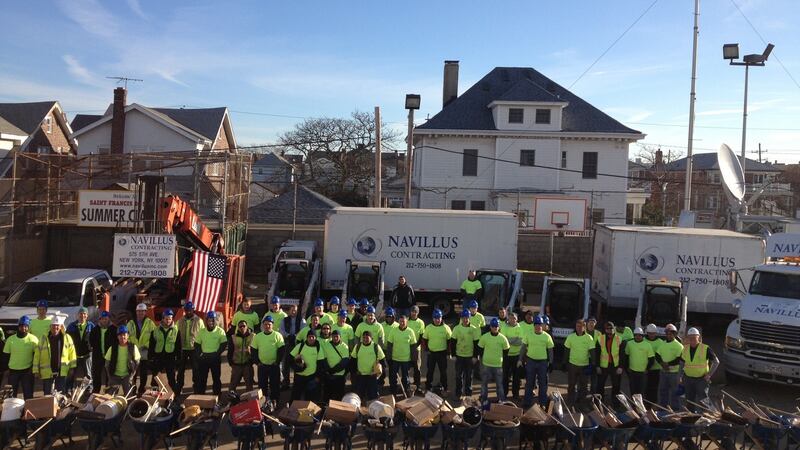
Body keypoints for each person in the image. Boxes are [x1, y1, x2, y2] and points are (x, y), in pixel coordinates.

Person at [33, 316, 77, 395]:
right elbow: (37, 355)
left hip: (62, 371)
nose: (55, 327)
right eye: (53, 325)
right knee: (47, 395)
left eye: (57, 325)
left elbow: (72, 353)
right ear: (50, 327)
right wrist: (36, 370)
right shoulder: (43, 338)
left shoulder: (67, 338)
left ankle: (59, 407)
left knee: (60, 396)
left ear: (61, 327)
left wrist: (72, 367)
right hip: (47, 372)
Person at [679, 327, 719, 407]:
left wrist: (709, 375)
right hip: (688, 379)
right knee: (689, 400)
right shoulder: (685, 348)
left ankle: (707, 417)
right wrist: (680, 376)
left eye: (694, 337)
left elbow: (716, 362)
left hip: (701, 380)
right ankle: (691, 417)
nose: (692, 339)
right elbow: (682, 363)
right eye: (690, 338)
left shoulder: (705, 348)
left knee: (704, 400)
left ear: (699, 337)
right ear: (688, 338)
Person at [521, 315, 554, 408]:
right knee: (529, 383)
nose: (538, 326)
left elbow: (551, 350)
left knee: (543, 383)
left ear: (542, 325)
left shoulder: (547, 337)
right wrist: (520, 360)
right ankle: (527, 402)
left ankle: (542, 403)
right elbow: (523, 348)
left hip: (542, 363)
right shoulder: (528, 334)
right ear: (534, 325)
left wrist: (551, 362)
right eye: (536, 324)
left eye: (539, 324)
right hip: (530, 361)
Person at [251, 316, 285, 404]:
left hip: (274, 366)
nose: (267, 326)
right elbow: (253, 350)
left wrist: (277, 362)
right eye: (265, 324)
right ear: (263, 325)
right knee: (262, 386)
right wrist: (257, 362)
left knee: (275, 386)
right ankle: (263, 403)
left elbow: (282, 350)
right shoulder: (258, 336)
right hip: (262, 366)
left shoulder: (277, 335)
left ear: (272, 325)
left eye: (269, 324)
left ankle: (275, 402)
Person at [194, 311, 227, 395]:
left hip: (215, 358)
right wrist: (200, 354)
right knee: (202, 379)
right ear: (206, 321)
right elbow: (197, 344)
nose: (211, 323)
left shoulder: (220, 331)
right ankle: (201, 396)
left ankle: (217, 396)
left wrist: (217, 353)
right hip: (204, 358)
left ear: (215, 321)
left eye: (212, 321)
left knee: (216, 379)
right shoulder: (202, 331)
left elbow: (223, 344)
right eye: (209, 320)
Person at [478, 318, 510, 403]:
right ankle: (483, 399)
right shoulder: (485, 337)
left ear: (499, 327)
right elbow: (480, 348)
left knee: (499, 384)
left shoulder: (503, 338)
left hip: (498, 365)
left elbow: (506, 351)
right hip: (486, 364)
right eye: (493, 326)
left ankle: (501, 400)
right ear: (490, 327)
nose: (495, 328)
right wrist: (484, 357)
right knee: (484, 384)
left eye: (496, 326)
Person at [5, 316, 38, 399]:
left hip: (27, 371)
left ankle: (28, 411)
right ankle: (12, 412)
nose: (23, 328)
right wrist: (5, 370)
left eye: (26, 326)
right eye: (22, 326)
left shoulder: (33, 339)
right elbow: (5, 356)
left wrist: (34, 369)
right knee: (11, 396)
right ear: (18, 326)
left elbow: (37, 356)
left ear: (28, 327)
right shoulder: (10, 339)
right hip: (13, 371)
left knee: (28, 395)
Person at [128, 303, 157, 394]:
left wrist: (147, 345)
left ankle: (141, 389)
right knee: (133, 373)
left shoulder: (150, 323)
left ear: (145, 312)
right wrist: (132, 345)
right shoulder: (131, 323)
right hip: (134, 351)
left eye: (142, 311)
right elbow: (126, 336)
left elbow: (155, 336)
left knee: (144, 373)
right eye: (138, 311)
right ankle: (133, 389)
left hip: (145, 351)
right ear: (136, 312)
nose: (140, 313)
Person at [149, 309, 180, 394]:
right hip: (159, 356)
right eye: (166, 318)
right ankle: (153, 394)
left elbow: (178, 345)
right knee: (155, 377)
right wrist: (150, 357)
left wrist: (178, 359)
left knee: (171, 377)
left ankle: (173, 395)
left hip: (170, 357)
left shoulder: (176, 330)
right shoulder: (156, 330)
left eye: (170, 319)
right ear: (162, 318)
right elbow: (152, 345)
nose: (168, 321)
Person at [564, 319, 594, 405]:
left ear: (585, 327)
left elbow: (592, 352)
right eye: (578, 326)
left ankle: (582, 403)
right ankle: (570, 402)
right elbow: (566, 350)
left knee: (583, 386)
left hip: (584, 366)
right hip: (572, 365)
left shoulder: (589, 338)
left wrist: (593, 364)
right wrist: (564, 363)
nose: (580, 328)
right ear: (575, 327)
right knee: (571, 385)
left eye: (582, 326)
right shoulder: (571, 337)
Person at [386, 314, 418, 396]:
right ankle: (393, 391)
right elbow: (389, 345)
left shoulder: (410, 332)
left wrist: (413, 360)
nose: (402, 323)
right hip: (395, 358)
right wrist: (389, 358)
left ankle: (406, 391)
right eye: (400, 321)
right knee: (393, 377)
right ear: (398, 321)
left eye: (403, 321)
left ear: (406, 322)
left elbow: (413, 347)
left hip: (406, 359)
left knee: (405, 378)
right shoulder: (393, 331)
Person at [290, 329, 325, 402]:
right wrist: (295, 366)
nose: (311, 338)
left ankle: (307, 412)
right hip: (299, 376)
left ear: (315, 338)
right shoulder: (300, 346)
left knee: (309, 397)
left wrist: (318, 377)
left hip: (311, 377)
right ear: (307, 337)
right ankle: (292, 411)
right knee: (295, 395)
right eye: (309, 337)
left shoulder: (318, 348)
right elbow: (290, 357)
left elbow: (320, 364)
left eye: (313, 337)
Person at [451, 310, 480, 398]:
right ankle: (458, 393)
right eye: (463, 318)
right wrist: (453, 355)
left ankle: (468, 395)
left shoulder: (474, 329)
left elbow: (476, 344)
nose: (465, 319)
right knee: (458, 376)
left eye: (467, 318)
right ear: (461, 318)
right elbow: (453, 342)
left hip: (469, 357)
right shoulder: (456, 328)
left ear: (469, 318)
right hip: (459, 356)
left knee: (469, 377)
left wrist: (475, 356)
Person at [422, 309, 452, 393]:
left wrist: (449, 353)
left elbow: (450, 341)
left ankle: (445, 387)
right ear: (432, 318)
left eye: (439, 318)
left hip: (442, 353)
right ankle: (428, 387)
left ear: (441, 317)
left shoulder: (446, 328)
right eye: (435, 318)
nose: (437, 320)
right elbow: (424, 339)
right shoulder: (428, 328)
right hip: (431, 353)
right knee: (430, 371)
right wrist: (426, 350)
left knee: (443, 372)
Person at [594, 321, 624, 405]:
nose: (609, 330)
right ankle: (599, 402)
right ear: (605, 329)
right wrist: (597, 366)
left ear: (614, 328)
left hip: (615, 366)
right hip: (603, 366)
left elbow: (622, 355)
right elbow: (597, 354)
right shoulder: (600, 338)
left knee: (616, 386)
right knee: (600, 385)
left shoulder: (619, 339)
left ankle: (615, 403)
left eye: (611, 328)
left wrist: (620, 367)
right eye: (607, 328)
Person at [176, 301, 202, 394]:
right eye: (187, 310)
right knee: (180, 370)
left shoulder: (199, 321)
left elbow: (202, 335)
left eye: (190, 310)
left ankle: (197, 390)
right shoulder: (180, 321)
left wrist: (201, 349)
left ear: (193, 310)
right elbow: (176, 334)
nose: (188, 312)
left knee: (196, 370)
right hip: (182, 349)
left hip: (193, 349)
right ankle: (178, 389)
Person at [105, 325, 141, 393]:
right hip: (114, 376)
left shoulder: (133, 347)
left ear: (128, 335)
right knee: (110, 397)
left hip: (127, 376)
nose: (122, 337)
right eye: (120, 335)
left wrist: (132, 374)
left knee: (129, 397)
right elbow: (107, 364)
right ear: (117, 336)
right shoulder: (112, 348)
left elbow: (137, 362)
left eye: (124, 335)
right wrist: (110, 377)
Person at [351, 331, 385, 401]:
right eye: (363, 338)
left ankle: (373, 410)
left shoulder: (376, 347)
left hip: (372, 376)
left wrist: (380, 376)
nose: (365, 339)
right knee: (359, 397)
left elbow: (382, 361)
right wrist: (354, 373)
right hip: (360, 376)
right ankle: (359, 411)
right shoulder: (357, 346)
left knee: (373, 397)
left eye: (367, 338)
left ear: (371, 338)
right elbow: (353, 361)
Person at [655, 324, 683, 410]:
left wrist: (667, 364)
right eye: (667, 333)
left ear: (675, 334)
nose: (668, 335)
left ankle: (675, 409)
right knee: (663, 391)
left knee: (675, 392)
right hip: (663, 372)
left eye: (671, 333)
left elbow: (679, 359)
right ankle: (663, 408)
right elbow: (657, 355)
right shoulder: (662, 344)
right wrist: (662, 364)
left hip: (674, 373)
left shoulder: (678, 346)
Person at [66, 307, 94, 391]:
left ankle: (89, 390)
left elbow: (96, 338)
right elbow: (67, 339)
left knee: (88, 374)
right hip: (75, 355)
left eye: (84, 314)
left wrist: (92, 348)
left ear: (87, 316)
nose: (82, 315)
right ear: (77, 315)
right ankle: (68, 390)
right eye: (81, 314)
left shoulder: (91, 325)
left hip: (87, 355)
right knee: (71, 374)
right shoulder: (71, 326)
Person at [280, 304, 306, 390]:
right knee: (285, 365)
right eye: (292, 310)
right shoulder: (284, 320)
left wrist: (295, 336)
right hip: (287, 344)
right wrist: (288, 336)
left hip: (297, 345)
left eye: (295, 310)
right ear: (288, 311)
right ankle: (286, 383)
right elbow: (281, 330)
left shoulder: (302, 320)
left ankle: (296, 383)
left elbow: (303, 331)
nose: (293, 311)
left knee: (297, 364)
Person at [89, 311, 116, 393]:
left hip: (110, 356)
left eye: (106, 319)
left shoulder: (114, 329)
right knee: (96, 374)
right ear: (100, 320)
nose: (104, 321)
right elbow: (90, 341)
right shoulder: (95, 330)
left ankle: (109, 392)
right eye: (102, 319)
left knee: (109, 374)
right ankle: (96, 391)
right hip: (98, 356)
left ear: (109, 319)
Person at [321, 329, 349, 402]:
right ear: (331, 337)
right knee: (327, 395)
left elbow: (344, 362)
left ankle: (338, 411)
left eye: (337, 336)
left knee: (339, 395)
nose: (335, 338)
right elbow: (324, 359)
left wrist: (333, 370)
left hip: (339, 376)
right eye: (333, 336)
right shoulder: (326, 345)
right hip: (328, 375)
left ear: (340, 337)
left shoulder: (344, 346)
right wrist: (328, 370)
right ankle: (325, 410)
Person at [500, 312, 524, 399]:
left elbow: (520, 342)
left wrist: (509, 340)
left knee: (516, 377)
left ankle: (515, 394)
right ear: (508, 319)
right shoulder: (504, 327)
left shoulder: (520, 328)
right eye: (510, 318)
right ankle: (504, 394)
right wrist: (514, 339)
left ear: (516, 319)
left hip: (517, 356)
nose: (512, 320)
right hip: (506, 355)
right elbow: (503, 340)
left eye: (514, 318)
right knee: (505, 376)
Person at [625, 327, 654, 396]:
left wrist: (647, 369)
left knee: (641, 391)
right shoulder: (629, 344)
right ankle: (633, 405)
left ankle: (640, 405)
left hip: (643, 372)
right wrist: (627, 367)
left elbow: (651, 359)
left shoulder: (647, 345)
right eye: (636, 335)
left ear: (642, 336)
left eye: (639, 335)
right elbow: (626, 356)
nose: (637, 337)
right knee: (632, 389)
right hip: (632, 371)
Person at [228, 319, 254, 393]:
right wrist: (231, 363)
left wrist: (252, 361)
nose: (242, 327)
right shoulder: (233, 337)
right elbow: (230, 352)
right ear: (238, 328)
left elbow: (256, 350)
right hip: (236, 365)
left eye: (244, 326)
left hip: (247, 365)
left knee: (249, 386)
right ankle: (231, 401)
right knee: (232, 386)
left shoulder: (253, 336)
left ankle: (249, 403)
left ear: (247, 327)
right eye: (240, 326)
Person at [644, 323, 664, 403]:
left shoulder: (660, 342)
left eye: (653, 333)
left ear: (656, 333)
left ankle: (653, 404)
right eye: (650, 333)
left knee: (654, 388)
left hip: (656, 369)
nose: (651, 335)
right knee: (645, 387)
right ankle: (645, 403)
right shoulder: (643, 341)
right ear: (647, 333)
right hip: (644, 368)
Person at [407, 306, 426, 387]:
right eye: (412, 311)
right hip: (406, 348)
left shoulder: (420, 322)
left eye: (415, 312)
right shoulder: (406, 320)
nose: (414, 313)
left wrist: (416, 345)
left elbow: (422, 336)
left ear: (418, 313)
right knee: (406, 367)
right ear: (410, 312)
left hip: (416, 348)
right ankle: (407, 384)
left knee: (417, 367)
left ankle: (417, 384)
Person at [586, 317, 601, 394]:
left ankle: (593, 394)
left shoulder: (598, 333)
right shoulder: (583, 331)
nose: (591, 324)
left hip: (594, 358)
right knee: (583, 377)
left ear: (595, 324)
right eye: (590, 322)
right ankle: (582, 394)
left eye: (593, 323)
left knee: (594, 378)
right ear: (587, 323)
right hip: (584, 358)